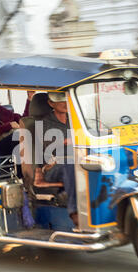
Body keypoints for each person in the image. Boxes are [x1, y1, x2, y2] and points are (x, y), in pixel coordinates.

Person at [38, 92, 78, 226]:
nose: (65, 103)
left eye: (66, 99)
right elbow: (49, 144)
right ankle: (75, 212)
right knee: (69, 165)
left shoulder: (75, 119)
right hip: (53, 166)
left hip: (78, 159)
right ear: (51, 103)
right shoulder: (44, 123)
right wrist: (69, 140)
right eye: (60, 100)